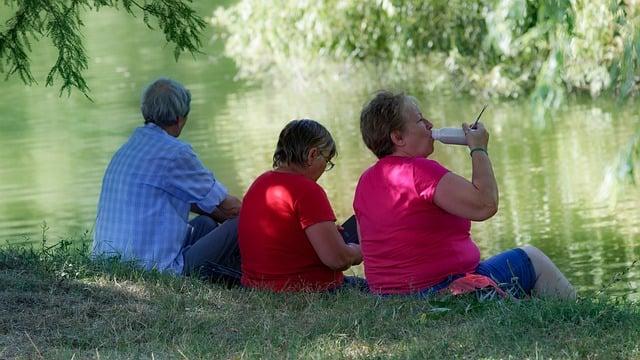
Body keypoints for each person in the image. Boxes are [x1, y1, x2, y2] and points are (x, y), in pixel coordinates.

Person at [354, 91, 576, 299]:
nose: (430, 124)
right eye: (421, 120)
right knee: (531, 257)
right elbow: (485, 204)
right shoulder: (418, 171)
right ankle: (577, 316)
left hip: (389, 297)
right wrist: (478, 149)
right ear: (398, 137)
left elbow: (368, 247)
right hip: (440, 291)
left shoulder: (365, 181)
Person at [92, 77, 242, 281]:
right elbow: (230, 207)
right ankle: (257, 276)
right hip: (150, 271)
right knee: (240, 223)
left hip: (107, 262)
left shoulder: (128, 148)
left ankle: (226, 276)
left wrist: (217, 213)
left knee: (206, 223)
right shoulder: (175, 153)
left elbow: (192, 202)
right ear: (180, 119)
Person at [238, 119, 364, 292]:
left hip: (258, 287)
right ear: (312, 155)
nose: (325, 168)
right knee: (387, 291)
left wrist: (327, 236)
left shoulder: (259, 184)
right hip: (303, 289)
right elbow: (337, 260)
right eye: (327, 161)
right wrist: (360, 250)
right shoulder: (307, 190)